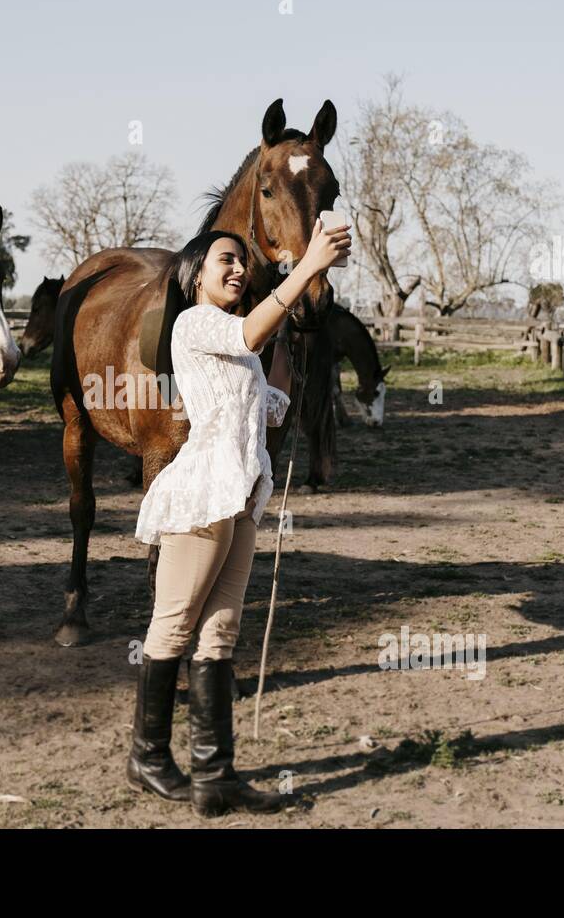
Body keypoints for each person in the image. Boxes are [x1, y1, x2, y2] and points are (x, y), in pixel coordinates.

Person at [128, 218, 352, 817]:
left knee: (220, 631)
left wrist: (295, 325)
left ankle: (214, 773)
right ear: (195, 275)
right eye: (224, 260)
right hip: (204, 491)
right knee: (174, 624)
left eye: (240, 261)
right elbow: (250, 333)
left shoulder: (237, 341)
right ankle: (147, 757)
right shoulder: (195, 322)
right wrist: (307, 265)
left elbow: (271, 406)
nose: (236, 268)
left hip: (244, 493)